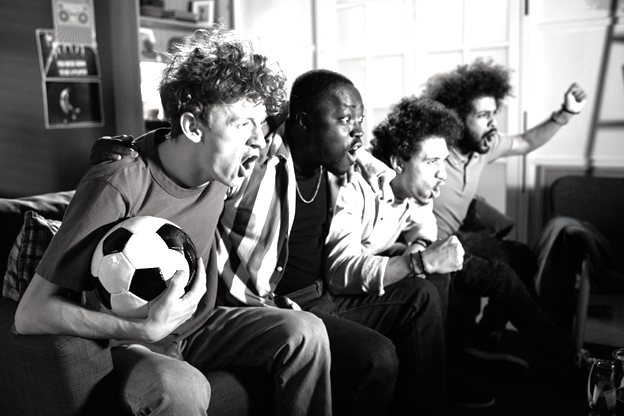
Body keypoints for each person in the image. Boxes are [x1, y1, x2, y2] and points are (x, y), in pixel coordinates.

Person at [15, 27, 334, 416]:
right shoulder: (116, 183)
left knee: (307, 332)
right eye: (242, 125)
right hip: (130, 344)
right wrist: (141, 329)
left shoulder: (223, 171)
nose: (259, 139)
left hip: (199, 326)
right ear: (192, 127)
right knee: (184, 388)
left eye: (260, 123)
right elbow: (30, 314)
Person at [94, 70, 447, 415]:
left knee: (422, 295)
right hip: (272, 303)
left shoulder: (341, 163)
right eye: (345, 120)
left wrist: (414, 234)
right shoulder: (251, 163)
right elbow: (192, 153)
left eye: (360, 121)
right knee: (376, 357)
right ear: (303, 122)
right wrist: (132, 147)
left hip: (324, 292)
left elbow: (383, 173)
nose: (357, 133)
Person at [325, 95, 596, 405]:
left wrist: (417, 247)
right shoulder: (353, 188)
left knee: (498, 274)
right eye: (432, 162)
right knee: (436, 277)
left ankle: (573, 359)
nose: (442, 173)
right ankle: (439, 378)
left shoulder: (417, 192)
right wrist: (418, 261)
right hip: (346, 296)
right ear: (398, 162)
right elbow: (339, 273)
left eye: (443, 161)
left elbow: (424, 226)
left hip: (392, 264)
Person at [420, 58, 588, 368]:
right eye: (483, 115)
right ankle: (568, 355)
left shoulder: (484, 146)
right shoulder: (433, 152)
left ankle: (486, 335)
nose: (492, 123)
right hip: (429, 246)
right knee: (501, 276)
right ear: (455, 118)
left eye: (493, 113)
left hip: (458, 237)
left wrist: (565, 113)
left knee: (521, 256)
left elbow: (525, 142)